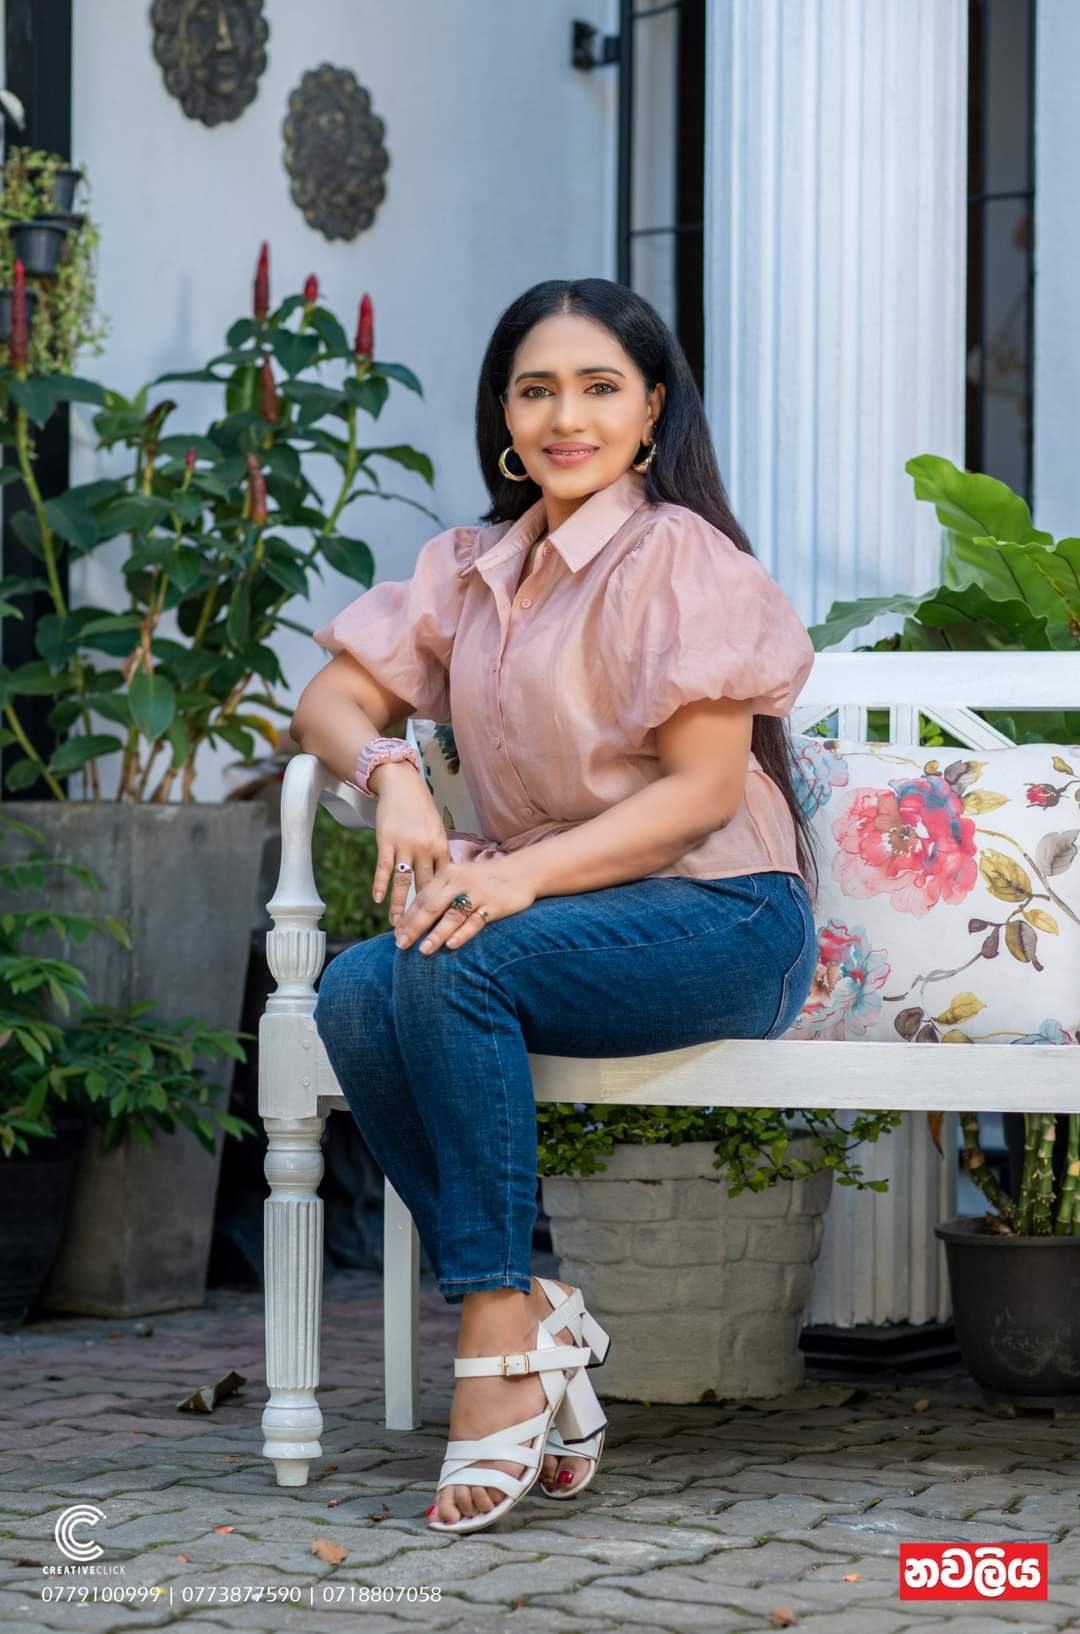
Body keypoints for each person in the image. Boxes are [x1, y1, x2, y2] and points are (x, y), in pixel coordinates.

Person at [291, 277, 820, 1535]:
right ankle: (524, 1308)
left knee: (452, 956)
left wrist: (514, 874)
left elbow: (700, 795)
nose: (565, 417)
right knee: (358, 985)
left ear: (651, 412)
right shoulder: (471, 566)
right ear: (504, 417)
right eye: (536, 390)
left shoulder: (681, 557)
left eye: (598, 388)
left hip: (721, 913)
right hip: (550, 921)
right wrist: (394, 774)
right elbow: (331, 701)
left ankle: (496, 1339)